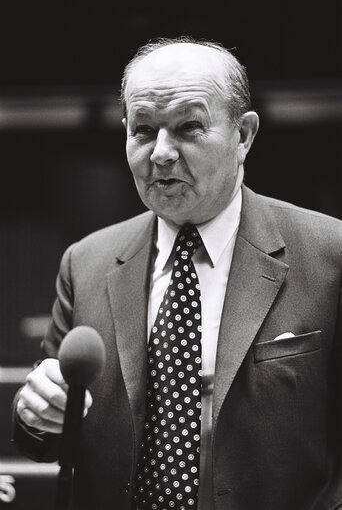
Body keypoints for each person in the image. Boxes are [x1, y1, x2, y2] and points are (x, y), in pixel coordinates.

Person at [12, 36, 342, 510]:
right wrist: (36, 414)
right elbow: (45, 441)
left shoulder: (329, 254)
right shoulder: (85, 263)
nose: (161, 153)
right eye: (143, 130)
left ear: (243, 134)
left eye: (188, 127)